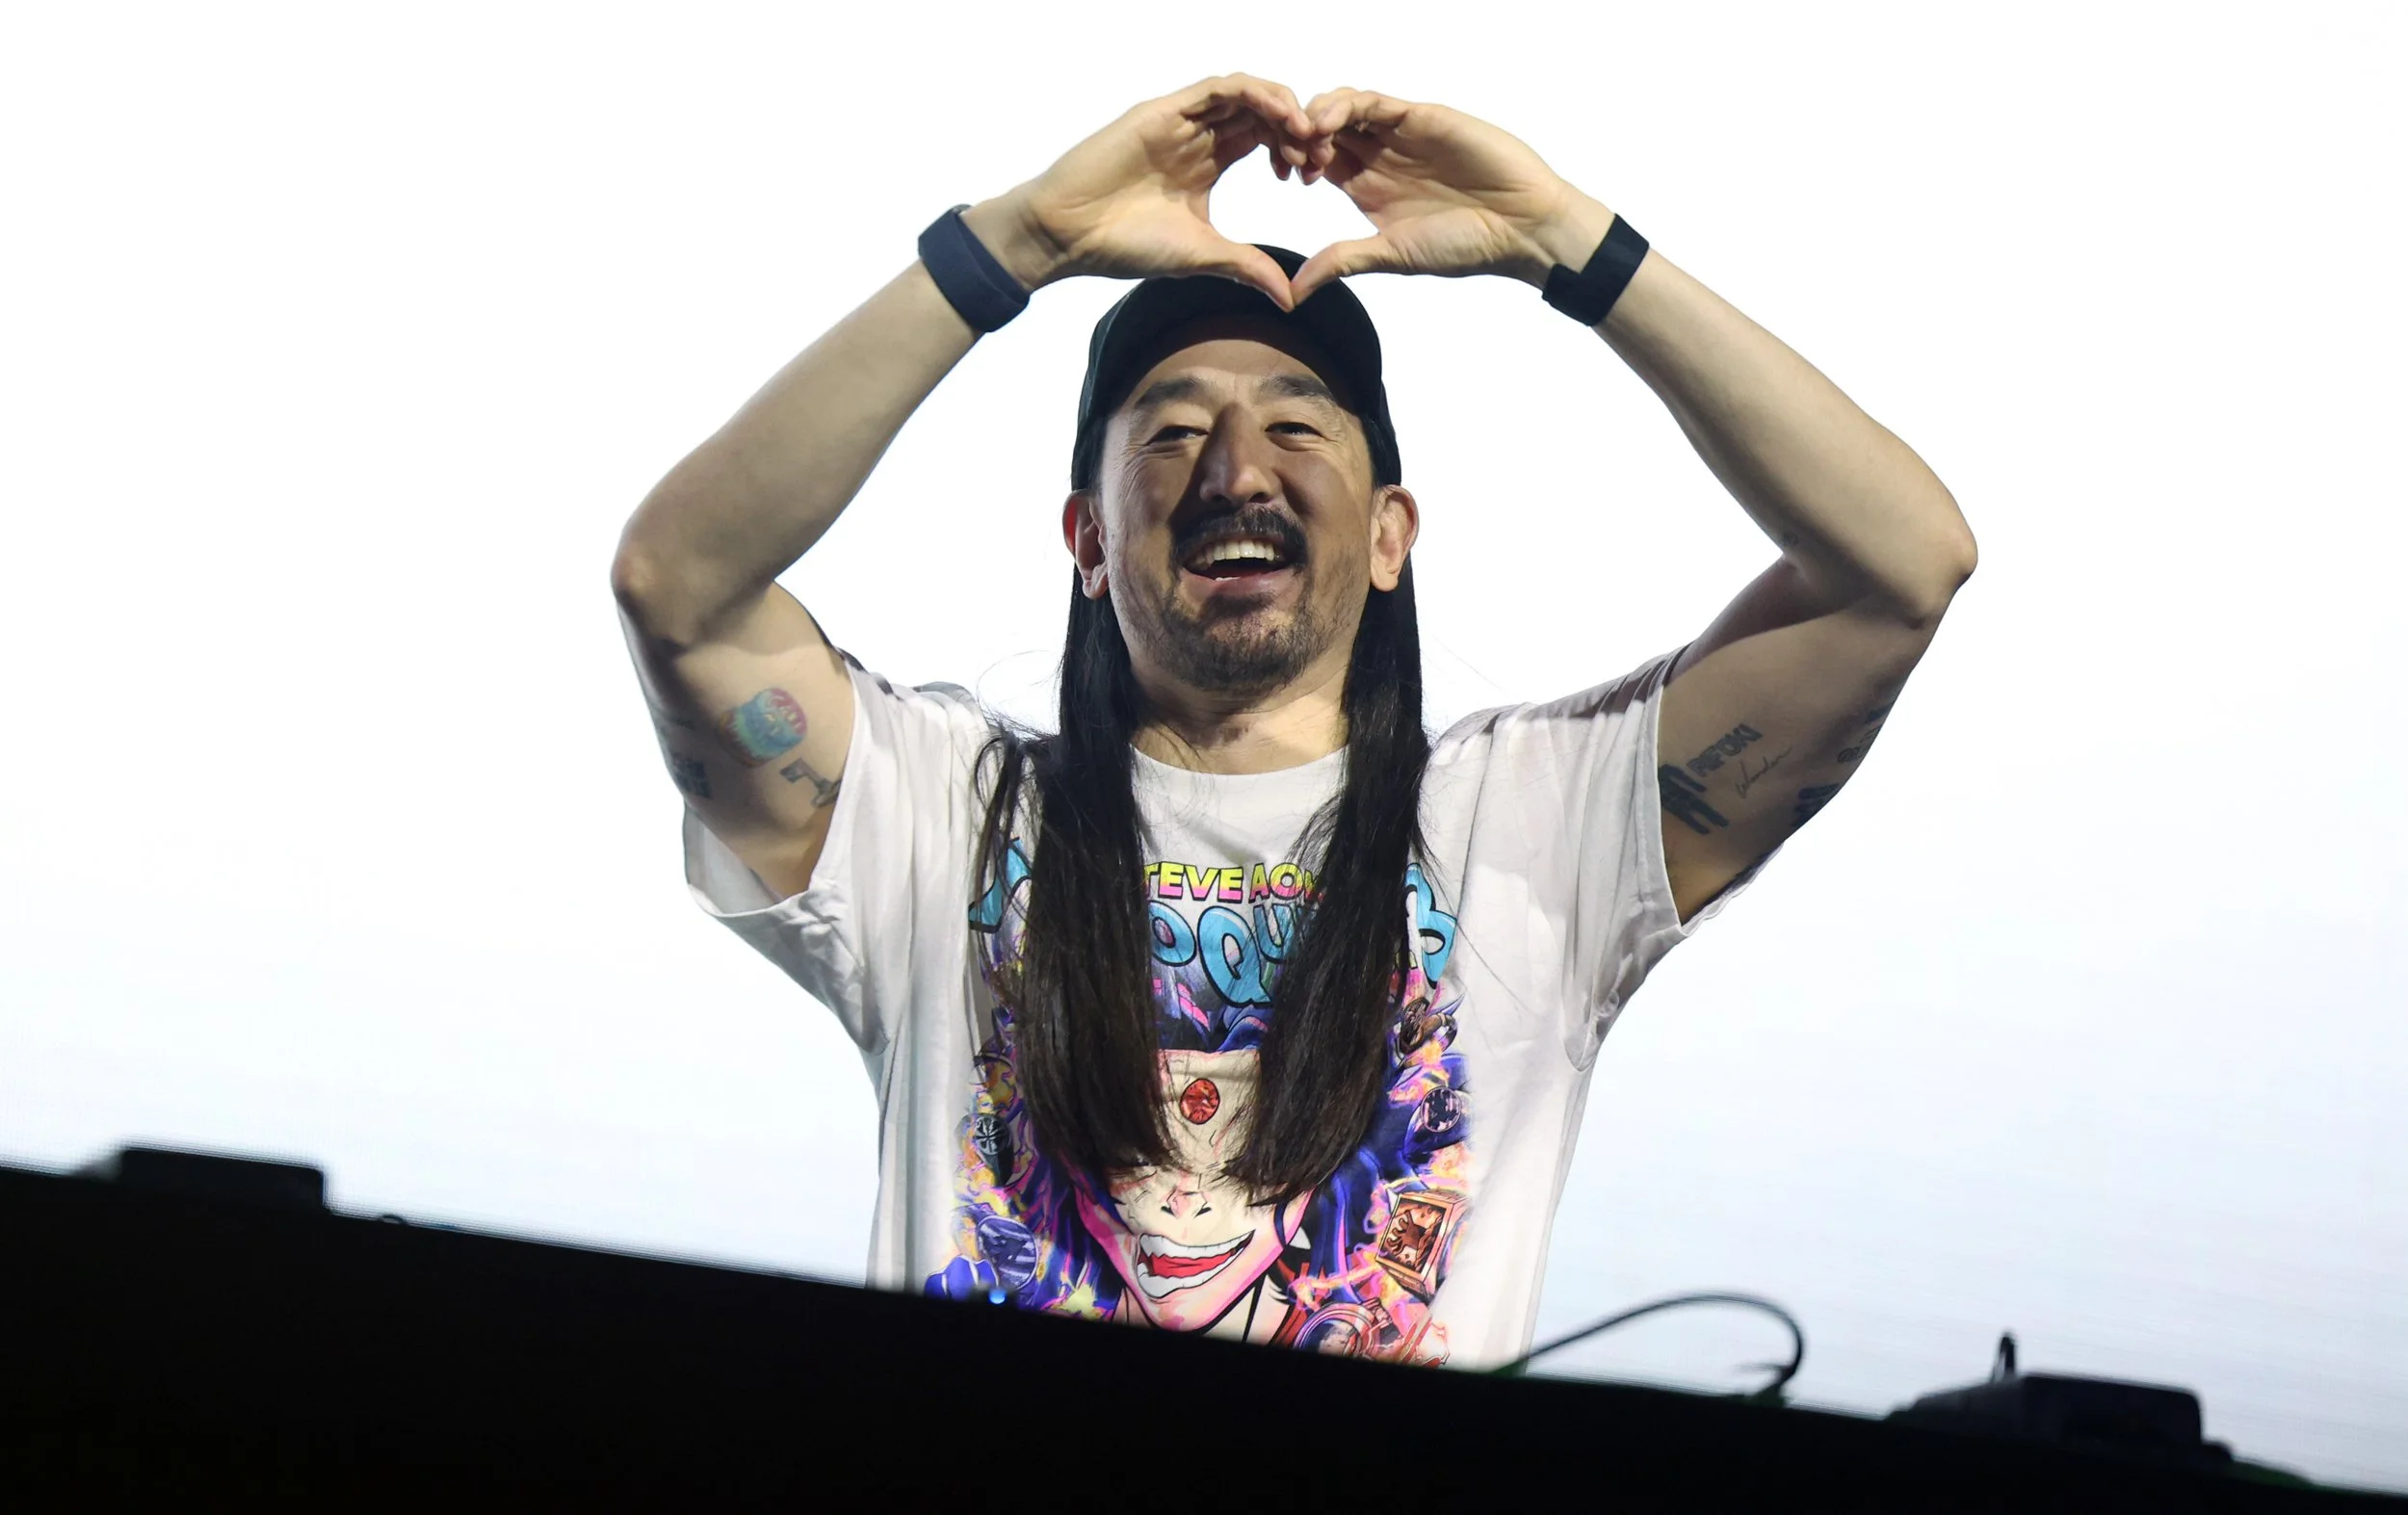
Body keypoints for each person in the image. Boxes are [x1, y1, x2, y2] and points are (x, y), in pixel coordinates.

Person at [610, 75, 1976, 1369]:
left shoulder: (1530, 825)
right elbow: (677, 590)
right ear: (1089, 540)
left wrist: (1571, 243)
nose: (1235, 471)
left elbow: (1902, 568)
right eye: (1169, 433)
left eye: (1299, 429)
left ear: (1391, 535)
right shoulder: (940, 816)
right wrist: (1018, 243)